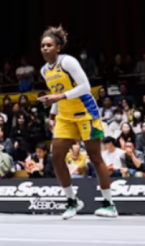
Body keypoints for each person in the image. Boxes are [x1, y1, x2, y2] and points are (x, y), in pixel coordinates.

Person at [37, 26, 117, 219]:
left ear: (58, 48)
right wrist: (53, 113)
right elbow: (58, 94)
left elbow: (85, 87)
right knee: (56, 157)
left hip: (86, 113)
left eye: (49, 45)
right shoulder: (44, 70)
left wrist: (58, 97)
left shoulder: (68, 62)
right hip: (64, 116)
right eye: (42, 46)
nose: (45, 48)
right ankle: (72, 201)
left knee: (95, 157)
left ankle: (109, 204)